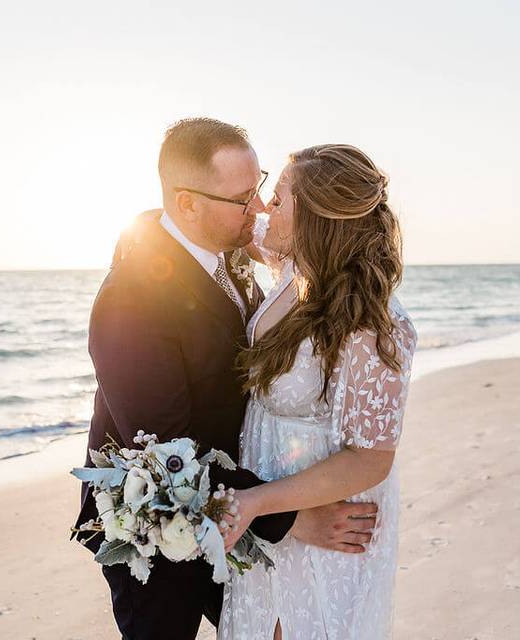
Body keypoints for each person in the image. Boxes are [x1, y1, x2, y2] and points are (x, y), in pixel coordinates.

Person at [72, 120, 380, 640]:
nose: (258, 208)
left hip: (237, 503)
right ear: (188, 203)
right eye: (242, 198)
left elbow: (307, 249)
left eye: (260, 188)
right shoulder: (133, 297)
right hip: (156, 524)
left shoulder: (227, 247)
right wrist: (291, 519)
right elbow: (166, 447)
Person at [218, 144, 418, 639]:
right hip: (272, 517)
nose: (265, 209)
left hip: (322, 521)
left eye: (279, 199)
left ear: (315, 219)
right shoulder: (292, 267)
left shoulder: (375, 326)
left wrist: (258, 503)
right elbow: (229, 226)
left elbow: (371, 458)